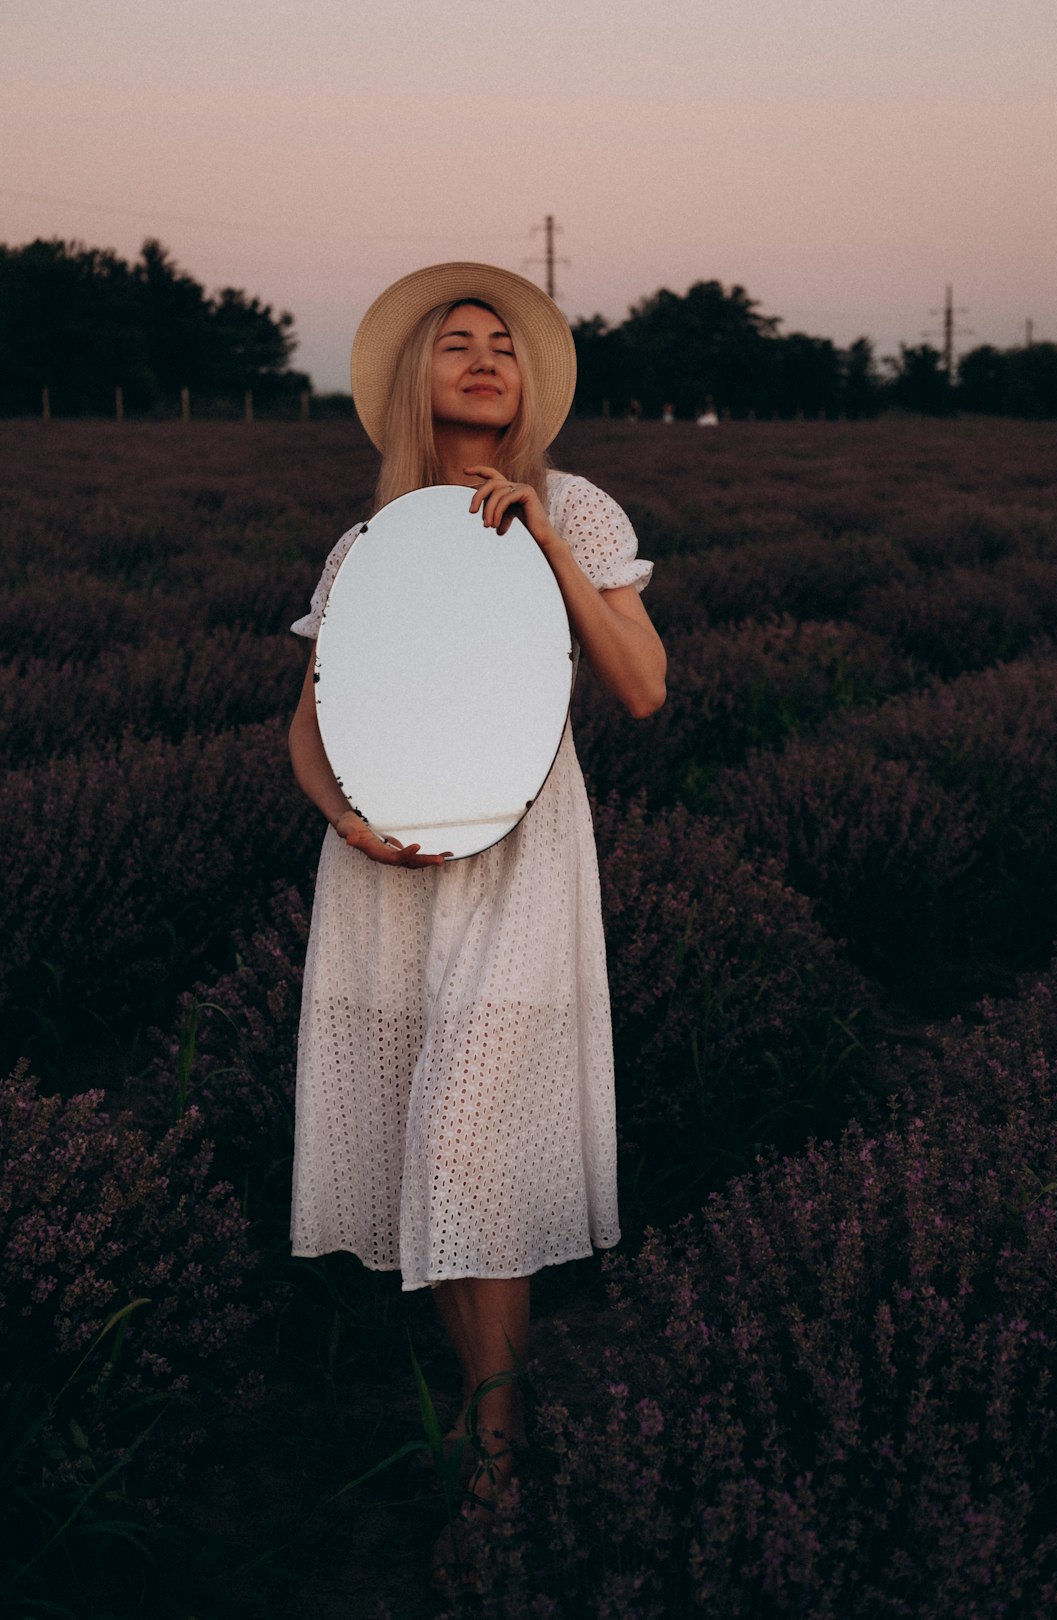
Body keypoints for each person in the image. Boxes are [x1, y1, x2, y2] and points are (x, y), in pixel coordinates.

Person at [287, 262, 666, 1555]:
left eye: (503, 342)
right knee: (424, 1142)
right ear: (420, 381)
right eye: (456, 342)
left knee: (464, 1139)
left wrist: (550, 542)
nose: (484, 356)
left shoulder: (580, 507)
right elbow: (309, 725)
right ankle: (486, 1414)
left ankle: (494, 1451)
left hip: (520, 855)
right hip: (390, 865)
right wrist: (345, 819)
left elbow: (644, 687)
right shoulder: (373, 540)